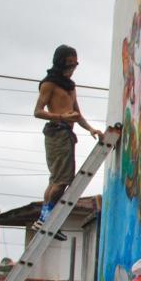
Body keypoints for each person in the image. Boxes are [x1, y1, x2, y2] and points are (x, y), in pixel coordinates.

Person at [33, 44, 103, 241]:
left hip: (67, 133)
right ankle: (45, 218)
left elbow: (77, 113)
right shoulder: (49, 84)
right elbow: (38, 111)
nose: (72, 68)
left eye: (75, 64)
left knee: (57, 180)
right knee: (61, 180)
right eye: (69, 63)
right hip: (56, 132)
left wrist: (90, 129)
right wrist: (61, 117)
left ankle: (45, 218)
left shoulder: (70, 86)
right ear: (60, 62)